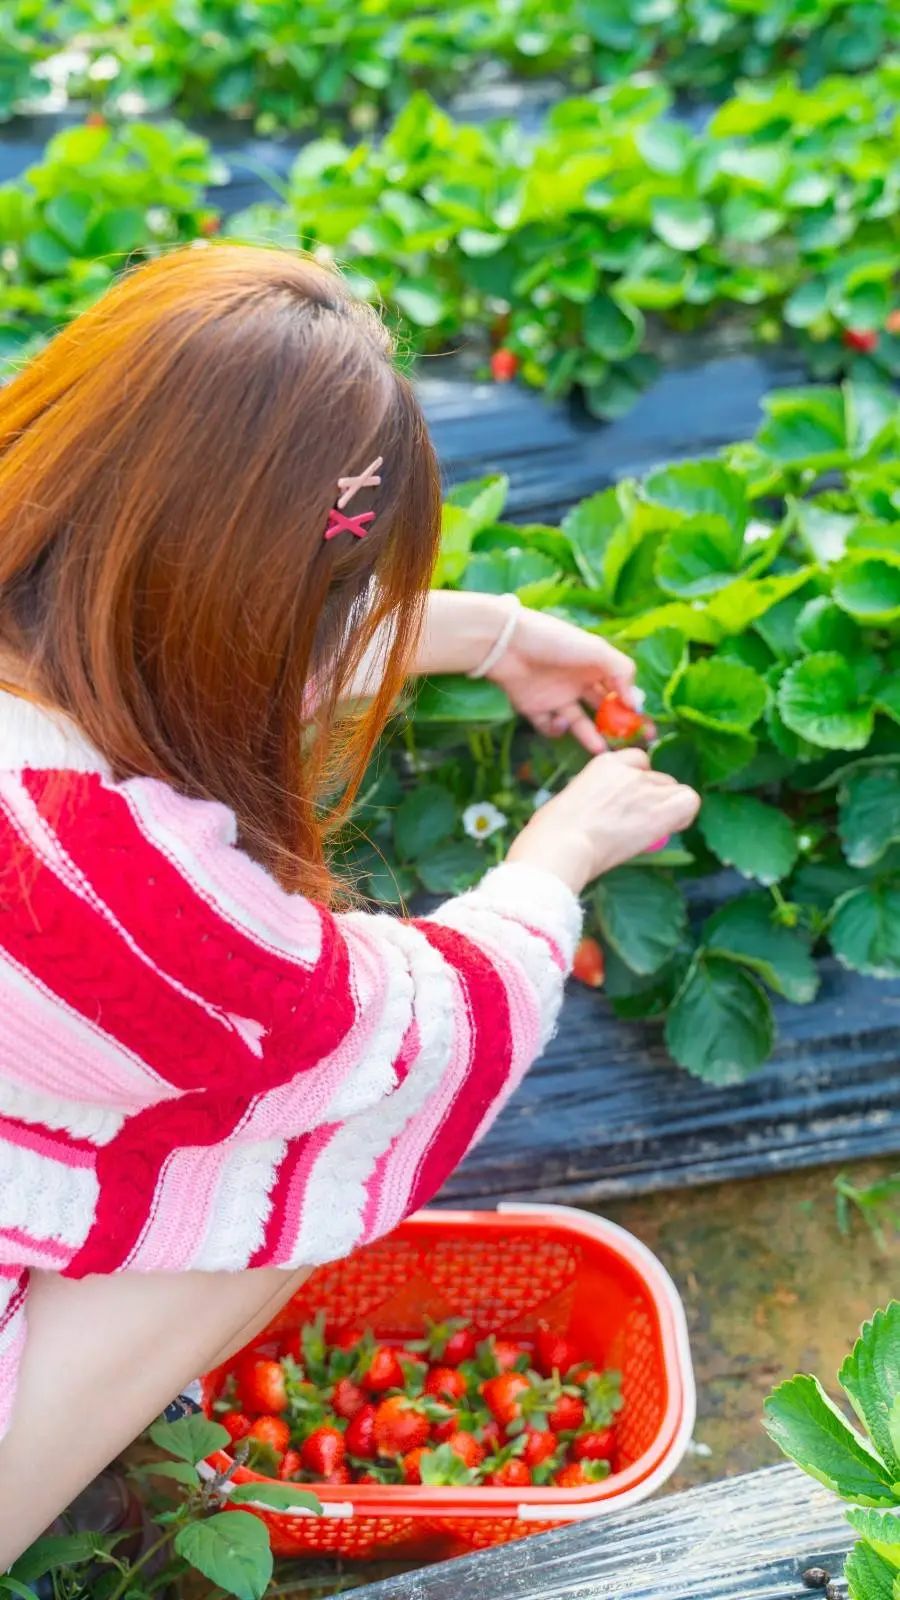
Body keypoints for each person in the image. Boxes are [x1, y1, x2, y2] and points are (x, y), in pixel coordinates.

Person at [0, 244, 699, 1552]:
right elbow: (384, 1040)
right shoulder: (96, 877)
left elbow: (170, 627)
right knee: (281, 1165)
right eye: (334, 614)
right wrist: (557, 857)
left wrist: (483, 630)